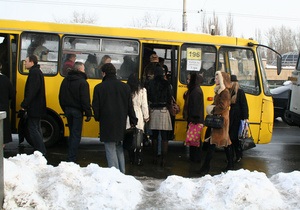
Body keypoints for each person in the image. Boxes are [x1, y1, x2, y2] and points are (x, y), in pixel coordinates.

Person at [92, 63, 137, 174]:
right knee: (119, 147)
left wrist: (97, 117)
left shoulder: (99, 88)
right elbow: (129, 106)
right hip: (121, 122)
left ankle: (114, 174)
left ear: (104, 73)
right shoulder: (125, 87)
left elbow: (96, 106)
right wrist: (133, 120)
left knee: (110, 147)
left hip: (106, 122)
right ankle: (122, 172)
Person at [199, 71, 233, 174]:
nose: (215, 80)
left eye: (217, 78)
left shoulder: (224, 92)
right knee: (225, 142)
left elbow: (223, 106)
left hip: (221, 120)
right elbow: (217, 104)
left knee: (213, 143)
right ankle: (230, 165)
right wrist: (211, 107)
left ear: (222, 80)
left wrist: (212, 110)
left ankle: (205, 167)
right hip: (220, 119)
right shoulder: (220, 91)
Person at [59, 61, 92, 163]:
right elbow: (85, 100)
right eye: (83, 69)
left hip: (67, 110)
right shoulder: (83, 82)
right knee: (76, 134)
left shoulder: (65, 80)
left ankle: (70, 155)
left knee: (71, 133)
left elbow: (61, 97)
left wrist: (64, 109)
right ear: (79, 70)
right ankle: (71, 158)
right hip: (77, 111)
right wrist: (88, 113)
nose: (85, 71)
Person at [20, 55, 47, 156]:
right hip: (37, 106)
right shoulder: (36, 72)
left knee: (33, 129)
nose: (25, 63)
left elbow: (31, 91)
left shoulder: (34, 73)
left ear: (32, 62)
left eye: (26, 61)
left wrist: (24, 104)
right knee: (36, 128)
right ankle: (40, 150)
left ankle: (41, 150)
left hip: (34, 107)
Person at [147, 65, 173, 167]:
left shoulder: (150, 83)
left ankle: (154, 158)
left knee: (154, 136)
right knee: (164, 137)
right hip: (163, 111)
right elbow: (169, 97)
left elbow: (148, 96)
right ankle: (163, 159)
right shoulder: (167, 84)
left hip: (153, 111)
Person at [126, 73, 149, 164]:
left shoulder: (127, 89)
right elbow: (144, 105)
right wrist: (146, 116)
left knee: (129, 137)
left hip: (128, 114)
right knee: (138, 138)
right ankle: (138, 159)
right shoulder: (142, 90)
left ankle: (131, 158)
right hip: (138, 113)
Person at [184, 72, 204, 162]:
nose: (187, 81)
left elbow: (195, 106)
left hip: (195, 119)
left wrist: (193, 118)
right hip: (195, 119)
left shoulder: (196, 91)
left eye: (189, 79)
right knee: (194, 139)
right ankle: (194, 158)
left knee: (195, 140)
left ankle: (195, 158)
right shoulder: (195, 89)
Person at [229, 75, 249, 163]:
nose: (230, 83)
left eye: (231, 82)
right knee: (230, 138)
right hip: (230, 118)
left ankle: (238, 155)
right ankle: (232, 156)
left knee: (234, 138)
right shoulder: (229, 91)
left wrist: (246, 118)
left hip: (237, 119)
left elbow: (244, 105)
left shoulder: (240, 92)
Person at [0, 61, 15, 147]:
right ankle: (2, 147)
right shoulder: (6, 80)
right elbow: (12, 94)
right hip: (3, 108)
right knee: (3, 128)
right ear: (1, 66)